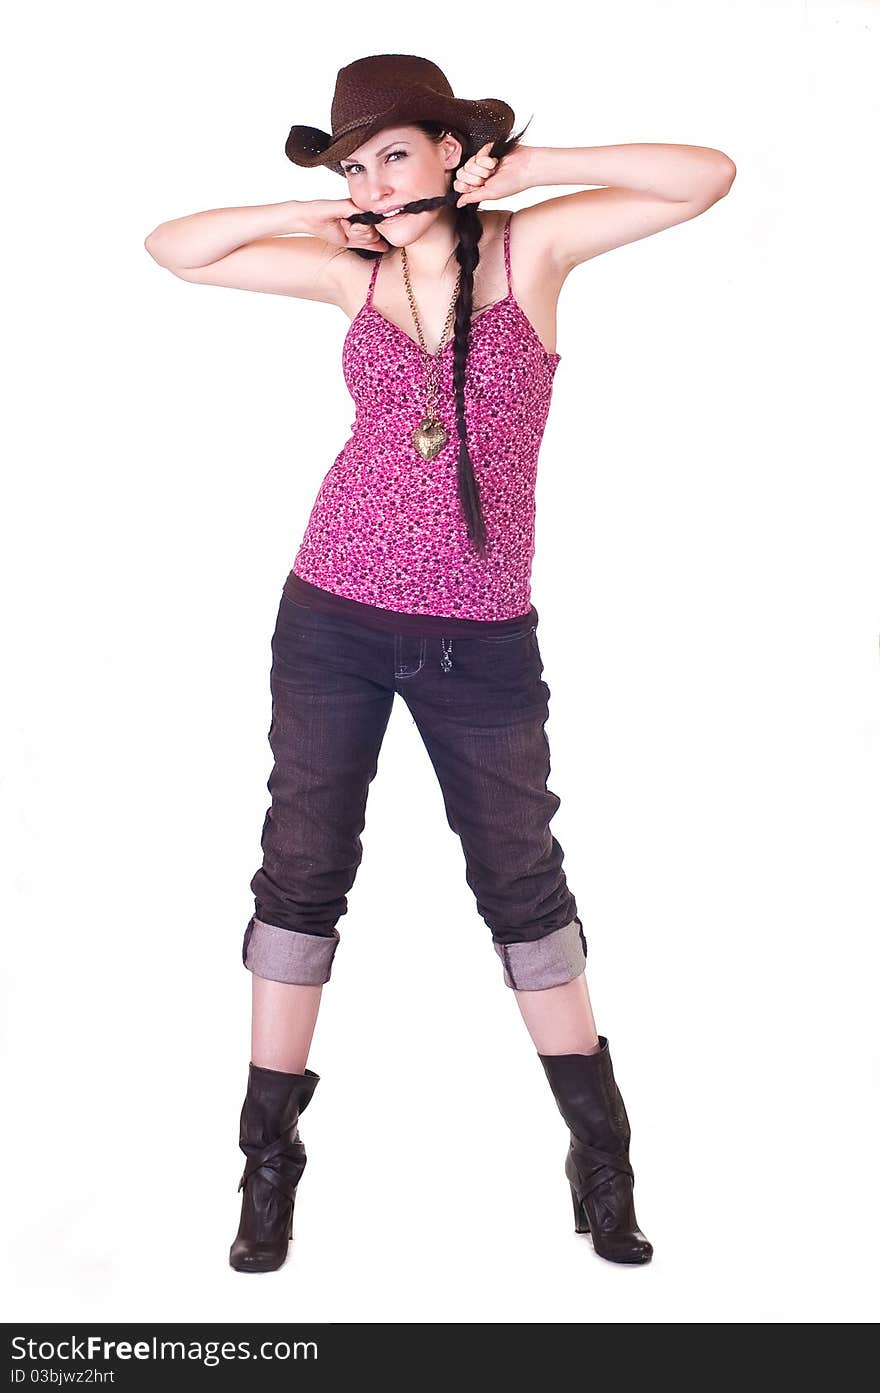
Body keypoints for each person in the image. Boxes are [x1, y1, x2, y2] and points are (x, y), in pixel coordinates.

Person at [145, 53, 735, 1274]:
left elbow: (704, 178)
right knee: (301, 870)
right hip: (331, 620)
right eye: (353, 165)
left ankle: (601, 1156)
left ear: (450, 152)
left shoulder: (531, 254)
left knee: (522, 884)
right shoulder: (348, 276)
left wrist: (528, 171)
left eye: (389, 155)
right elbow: (175, 249)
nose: (371, 180)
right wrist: (307, 211)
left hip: (480, 638)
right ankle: (267, 1165)